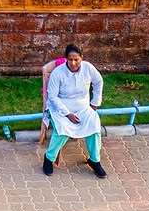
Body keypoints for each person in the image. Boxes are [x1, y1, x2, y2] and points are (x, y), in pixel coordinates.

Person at [43, 44, 107, 178]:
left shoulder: (88, 68)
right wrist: (68, 114)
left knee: (94, 126)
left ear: (81, 58)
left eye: (76, 59)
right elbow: (52, 97)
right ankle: (49, 158)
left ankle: (94, 160)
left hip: (83, 107)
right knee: (62, 130)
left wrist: (95, 103)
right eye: (70, 59)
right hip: (60, 109)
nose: (73, 63)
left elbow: (98, 82)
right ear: (66, 59)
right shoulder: (58, 73)